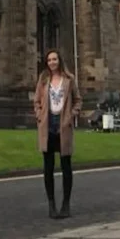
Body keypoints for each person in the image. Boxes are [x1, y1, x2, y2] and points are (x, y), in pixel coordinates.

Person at [33, 48, 82, 219]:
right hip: (48, 124)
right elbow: (37, 101)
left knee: (66, 166)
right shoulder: (43, 79)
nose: (52, 62)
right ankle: (51, 205)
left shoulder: (69, 79)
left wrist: (71, 115)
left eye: (54, 59)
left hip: (63, 124)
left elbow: (78, 100)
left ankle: (66, 204)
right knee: (48, 167)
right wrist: (39, 116)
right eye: (49, 60)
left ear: (59, 60)